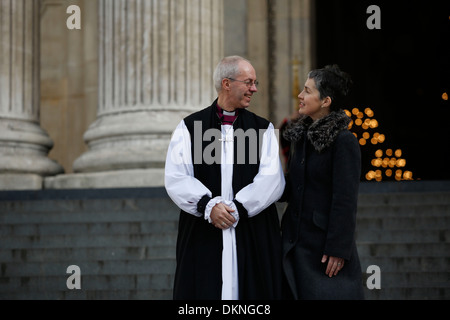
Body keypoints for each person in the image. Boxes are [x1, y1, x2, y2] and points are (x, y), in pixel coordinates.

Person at [165, 55, 286, 300]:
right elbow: (176, 176)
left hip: (252, 230)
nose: (254, 88)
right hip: (204, 228)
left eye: (256, 82)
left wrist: (237, 208)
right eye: (249, 82)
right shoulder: (190, 126)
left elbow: (272, 179)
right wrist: (208, 206)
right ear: (226, 83)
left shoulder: (263, 129)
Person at [280, 64, 365, 300]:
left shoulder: (344, 141)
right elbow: (294, 185)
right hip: (294, 242)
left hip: (325, 249)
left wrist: (338, 249)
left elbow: (345, 199)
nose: (300, 95)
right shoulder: (302, 138)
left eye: (307, 91)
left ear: (325, 101)